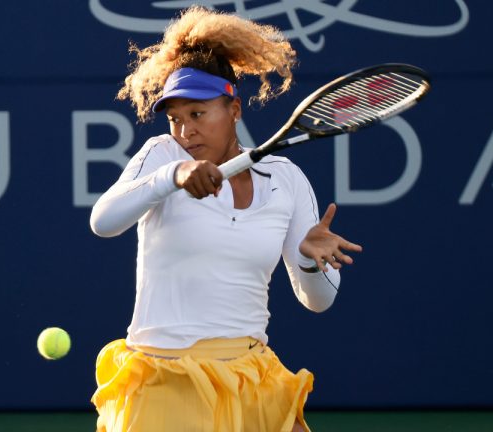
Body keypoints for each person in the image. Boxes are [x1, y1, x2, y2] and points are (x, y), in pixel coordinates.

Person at [89, 6, 362, 432]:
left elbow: (318, 300)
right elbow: (103, 221)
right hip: (167, 381)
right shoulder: (162, 155)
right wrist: (173, 177)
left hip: (253, 376)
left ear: (234, 109)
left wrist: (311, 260)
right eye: (176, 119)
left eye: (198, 114)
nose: (185, 132)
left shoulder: (285, 181)